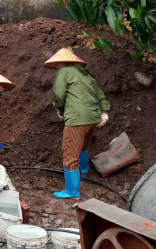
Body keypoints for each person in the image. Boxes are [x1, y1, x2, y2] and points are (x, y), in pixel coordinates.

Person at [45, 47, 110, 199]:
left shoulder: (64, 72)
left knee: (69, 152)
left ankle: (72, 191)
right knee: (84, 144)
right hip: (92, 117)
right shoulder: (87, 76)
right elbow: (100, 95)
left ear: (61, 61)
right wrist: (104, 112)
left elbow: (60, 94)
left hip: (77, 118)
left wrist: (60, 108)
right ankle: (85, 170)